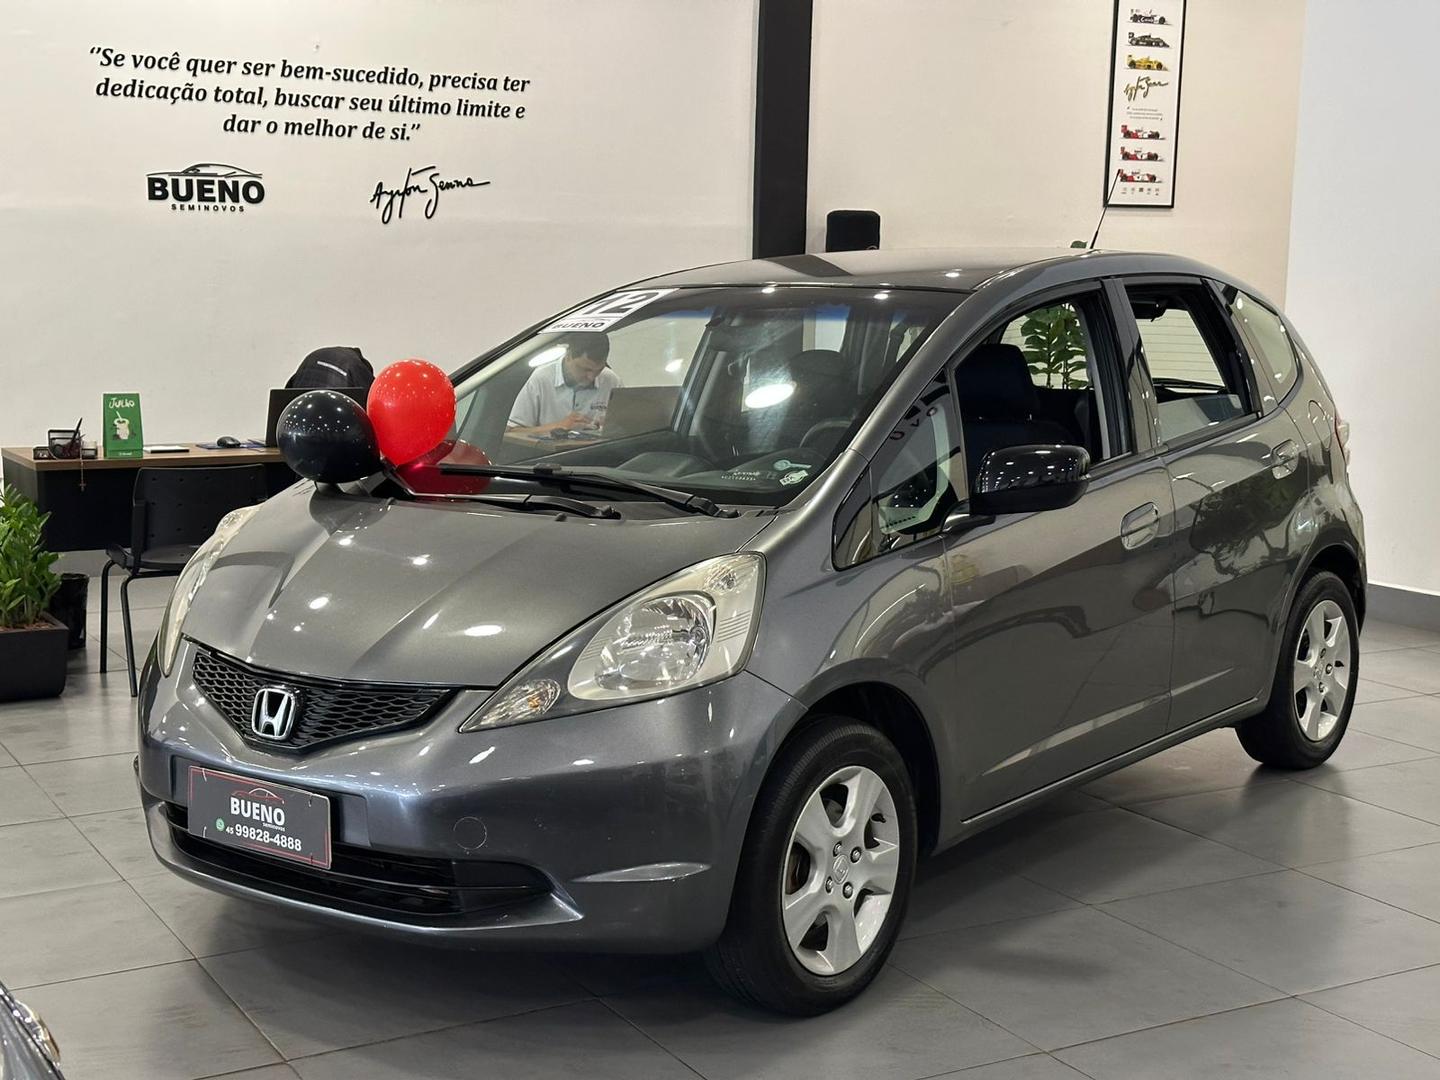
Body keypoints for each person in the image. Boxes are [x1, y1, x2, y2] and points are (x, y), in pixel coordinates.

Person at [507, 332, 622, 437]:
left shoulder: (611, 380)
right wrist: (559, 427)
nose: (591, 377)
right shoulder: (541, 379)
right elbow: (512, 431)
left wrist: (613, 427)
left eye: (599, 370)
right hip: (546, 452)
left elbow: (626, 428)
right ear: (568, 357)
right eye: (585, 369)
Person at [286, 346, 375, 395]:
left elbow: (287, 392)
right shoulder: (356, 366)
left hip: (301, 410)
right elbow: (370, 397)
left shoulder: (313, 356)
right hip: (333, 413)